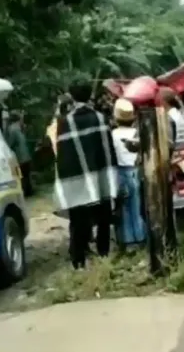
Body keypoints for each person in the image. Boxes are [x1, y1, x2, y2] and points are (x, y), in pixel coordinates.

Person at [54, 77, 119, 269]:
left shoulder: (65, 122)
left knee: (78, 221)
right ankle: (104, 253)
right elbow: (107, 150)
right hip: (100, 177)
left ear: (72, 97)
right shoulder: (100, 118)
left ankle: (78, 259)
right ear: (89, 95)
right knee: (104, 218)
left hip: (77, 180)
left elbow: (64, 155)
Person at [111, 98, 146, 250]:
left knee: (124, 206)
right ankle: (141, 236)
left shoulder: (113, 134)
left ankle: (128, 240)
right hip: (137, 170)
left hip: (121, 171)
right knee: (138, 205)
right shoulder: (138, 132)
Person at [5, 111, 33, 197]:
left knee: (22, 175)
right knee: (26, 174)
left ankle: (26, 192)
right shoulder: (17, 129)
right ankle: (29, 191)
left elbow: (10, 143)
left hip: (20, 156)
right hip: (24, 155)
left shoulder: (13, 129)